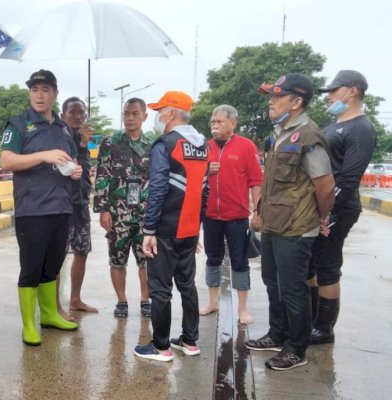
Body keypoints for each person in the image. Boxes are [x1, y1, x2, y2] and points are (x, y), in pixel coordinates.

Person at [245, 73, 335, 371]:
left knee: (293, 288)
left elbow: (324, 184)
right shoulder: (280, 133)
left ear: (297, 101)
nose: (271, 101)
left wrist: (321, 218)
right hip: (273, 222)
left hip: (296, 226)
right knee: (272, 282)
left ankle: (297, 348)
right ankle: (277, 333)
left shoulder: (309, 136)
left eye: (277, 96)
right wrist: (258, 212)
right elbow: (271, 182)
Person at [0, 69, 81, 346]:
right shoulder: (18, 124)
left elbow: (70, 162)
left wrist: (75, 171)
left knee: (53, 265)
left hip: (61, 206)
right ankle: (28, 325)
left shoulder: (63, 127)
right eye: (35, 90)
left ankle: (48, 315)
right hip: (31, 209)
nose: (40, 95)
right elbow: (7, 161)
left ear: (55, 93)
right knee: (31, 268)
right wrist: (44, 155)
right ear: (29, 93)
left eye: (45, 90)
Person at [133, 91, 209, 361]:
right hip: (188, 228)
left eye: (160, 110)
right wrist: (196, 227)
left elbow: (158, 190)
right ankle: (190, 341)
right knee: (187, 284)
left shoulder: (165, 144)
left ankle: (161, 346)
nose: (157, 116)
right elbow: (204, 191)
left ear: (173, 113)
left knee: (160, 288)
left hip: (165, 228)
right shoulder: (202, 146)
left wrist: (149, 230)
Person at [308, 70, 376, 344]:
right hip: (316, 206)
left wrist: (329, 214)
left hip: (338, 207)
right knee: (310, 263)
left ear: (352, 91)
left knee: (327, 263)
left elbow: (348, 177)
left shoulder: (361, 128)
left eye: (334, 91)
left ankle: (324, 328)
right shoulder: (332, 123)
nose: (330, 97)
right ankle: (310, 318)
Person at [199, 105, 263, 324]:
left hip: (236, 216)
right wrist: (207, 170)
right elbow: (192, 179)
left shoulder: (246, 146)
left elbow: (256, 181)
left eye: (220, 122)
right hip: (210, 216)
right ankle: (212, 301)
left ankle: (242, 308)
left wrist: (258, 211)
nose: (215, 126)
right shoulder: (205, 147)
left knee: (239, 260)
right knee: (212, 258)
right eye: (213, 122)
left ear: (233, 123)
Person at [93, 98, 152, 318]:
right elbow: (103, 175)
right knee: (117, 259)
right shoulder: (111, 142)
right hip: (118, 212)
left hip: (145, 213)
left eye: (135, 114)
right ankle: (122, 301)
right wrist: (103, 209)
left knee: (146, 259)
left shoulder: (153, 143)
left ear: (144, 116)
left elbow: (157, 178)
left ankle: (146, 300)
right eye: (126, 113)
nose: (130, 118)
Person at [59, 96, 97, 314]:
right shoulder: (60, 137)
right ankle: (55, 304)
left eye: (81, 112)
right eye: (73, 111)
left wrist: (84, 143)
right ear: (63, 115)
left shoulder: (84, 139)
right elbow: (72, 166)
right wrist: (81, 144)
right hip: (64, 205)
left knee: (82, 251)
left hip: (81, 204)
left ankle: (75, 299)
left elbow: (84, 171)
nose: (78, 115)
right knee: (59, 255)